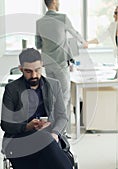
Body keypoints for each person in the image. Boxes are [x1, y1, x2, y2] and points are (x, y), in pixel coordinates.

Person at [0, 48, 73, 169]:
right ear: (21, 69)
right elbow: (5, 124)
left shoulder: (54, 85)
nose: (34, 75)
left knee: (46, 146)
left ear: (42, 66)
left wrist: (55, 133)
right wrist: (27, 126)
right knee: (47, 144)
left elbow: (62, 117)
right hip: (20, 140)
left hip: (49, 137)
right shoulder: (12, 89)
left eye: (37, 70)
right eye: (28, 71)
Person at [35, 0, 88, 136]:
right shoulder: (62, 18)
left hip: (47, 63)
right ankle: (59, 130)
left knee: (52, 95)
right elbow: (74, 33)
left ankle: (55, 127)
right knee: (64, 96)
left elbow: (38, 44)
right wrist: (83, 42)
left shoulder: (40, 22)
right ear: (53, 2)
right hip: (60, 62)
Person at [88, 5, 118, 125]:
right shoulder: (112, 26)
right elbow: (101, 38)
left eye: (117, 13)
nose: (114, 15)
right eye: (114, 13)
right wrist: (87, 43)